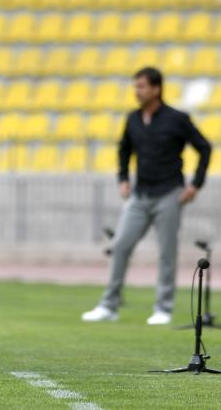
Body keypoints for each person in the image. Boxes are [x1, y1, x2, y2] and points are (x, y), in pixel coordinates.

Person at [82, 67, 212, 325]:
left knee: (166, 252)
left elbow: (204, 148)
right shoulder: (133, 119)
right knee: (120, 246)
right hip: (140, 195)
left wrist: (195, 185)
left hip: (169, 194)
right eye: (136, 86)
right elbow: (124, 149)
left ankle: (163, 308)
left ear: (156, 88)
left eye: (141, 86)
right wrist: (122, 178)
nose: (137, 91)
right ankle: (110, 305)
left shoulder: (177, 118)